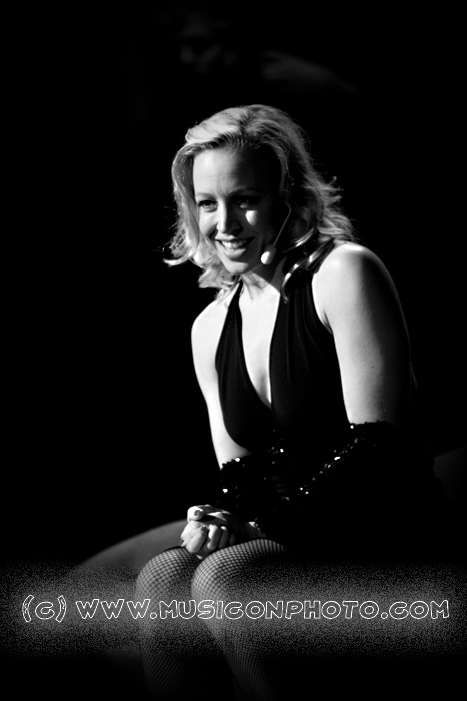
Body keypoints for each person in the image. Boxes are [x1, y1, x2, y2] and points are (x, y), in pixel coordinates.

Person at [135, 104, 450, 700]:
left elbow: (384, 452)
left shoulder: (344, 273)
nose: (224, 223)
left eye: (245, 199)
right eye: (207, 203)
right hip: (287, 541)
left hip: (384, 539)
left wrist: (255, 528)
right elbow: (243, 476)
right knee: (164, 577)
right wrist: (220, 520)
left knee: (230, 577)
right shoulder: (209, 327)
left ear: (289, 196)